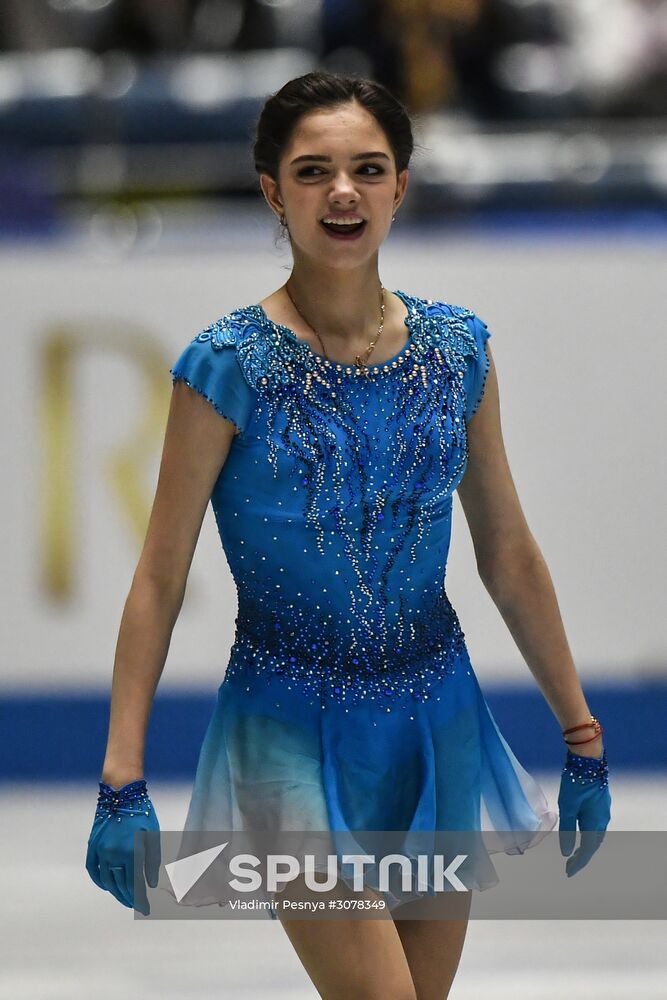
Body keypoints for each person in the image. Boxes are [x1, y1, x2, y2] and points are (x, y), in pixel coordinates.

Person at [86, 71, 611, 999]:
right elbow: (158, 578)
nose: (342, 191)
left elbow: (507, 550)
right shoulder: (226, 364)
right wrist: (121, 776)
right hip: (282, 728)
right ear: (271, 191)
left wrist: (580, 734)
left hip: (434, 722)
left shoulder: (456, 352)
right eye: (313, 170)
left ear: (399, 187)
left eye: (368, 169)